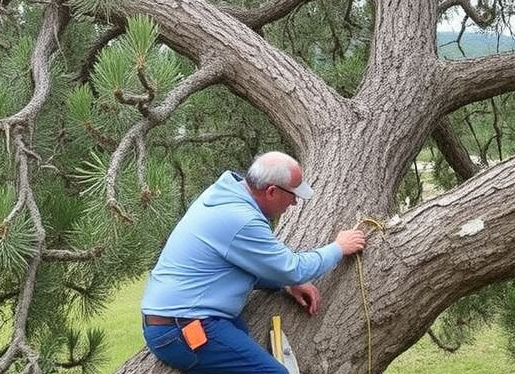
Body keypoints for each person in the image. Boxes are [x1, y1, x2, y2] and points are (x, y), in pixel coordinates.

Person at [140, 151, 366, 374]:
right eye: (293, 194)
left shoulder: (226, 195)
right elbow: (293, 268)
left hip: (181, 322)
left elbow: (238, 265)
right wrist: (338, 248)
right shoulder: (241, 219)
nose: (296, 202)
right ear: (271, 192)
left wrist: (283, 283)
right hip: (184, 329)